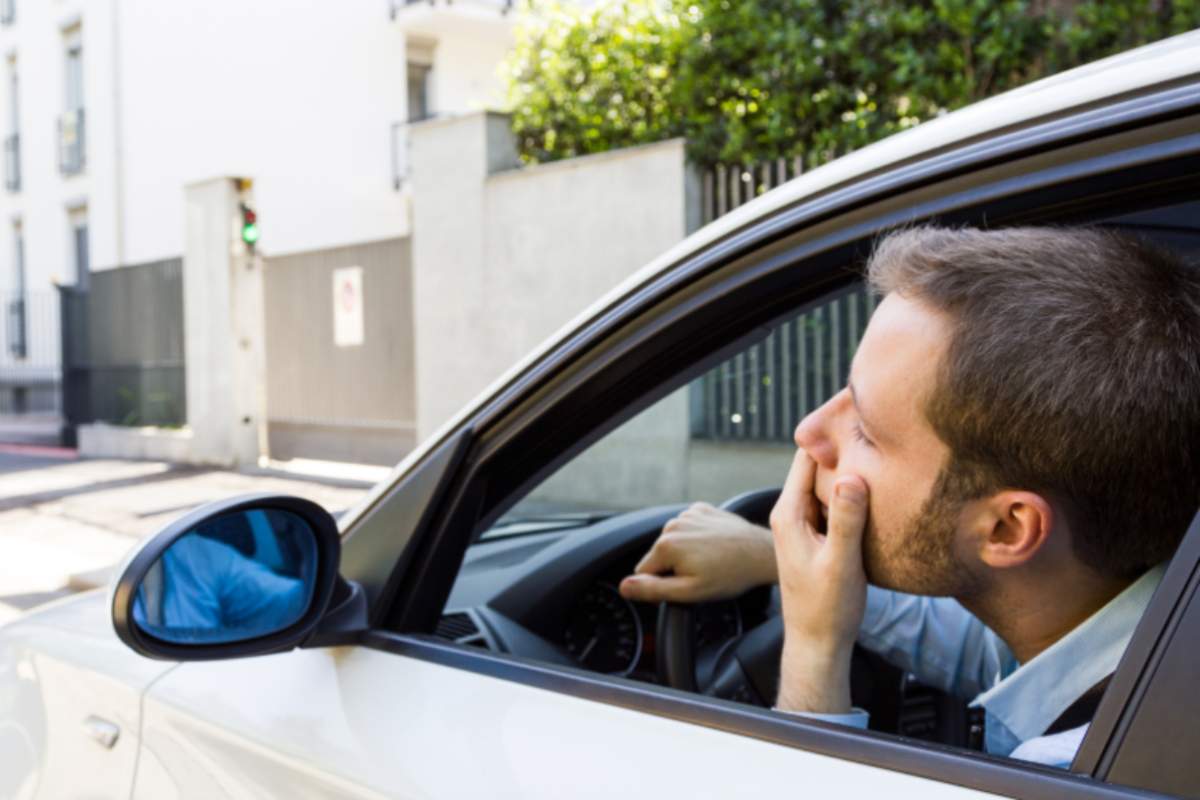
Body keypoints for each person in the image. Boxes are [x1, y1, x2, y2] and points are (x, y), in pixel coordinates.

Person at [619, 226, 1200, 768]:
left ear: (1006, 529)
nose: (809, 431)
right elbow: (976, 646)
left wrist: (814, 653)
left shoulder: (1085, 767)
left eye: (866, 431)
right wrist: (770, 557)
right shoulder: (1126, 620)